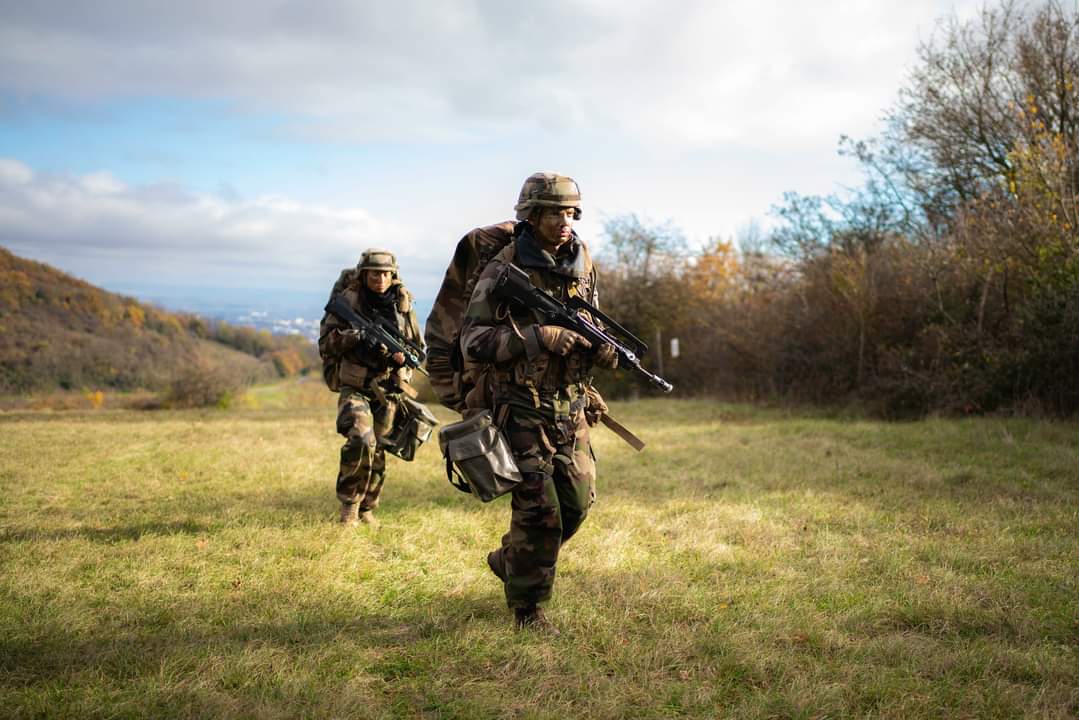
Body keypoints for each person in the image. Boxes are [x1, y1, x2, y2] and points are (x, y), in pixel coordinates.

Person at [459, 172, 617, 634]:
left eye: (570, 212)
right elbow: (474, 341)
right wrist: (537, 337)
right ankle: (528, 609)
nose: (564, 221)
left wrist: (599, 349)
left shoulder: (582, 263)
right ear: (530, 215)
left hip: (569, 406)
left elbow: (587, 320)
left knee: (578, 503)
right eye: (553, 212)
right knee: (540, 512)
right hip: (521, 407)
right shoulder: (503, 270)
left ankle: (510, 559)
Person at [318, 248, 424, 528]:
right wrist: (357, 337)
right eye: (374, 273)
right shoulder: (349, 301)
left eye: (386, 273)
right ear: (364, 275)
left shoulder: (402, 306)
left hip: (387, 388)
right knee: (362, 440)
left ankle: (367, 508)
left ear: (394, 275)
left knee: (378, 451)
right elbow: (325, 344)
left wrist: (402, 363)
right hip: (355, 385)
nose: (380, 279)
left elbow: (417, 346)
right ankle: (349, 508)